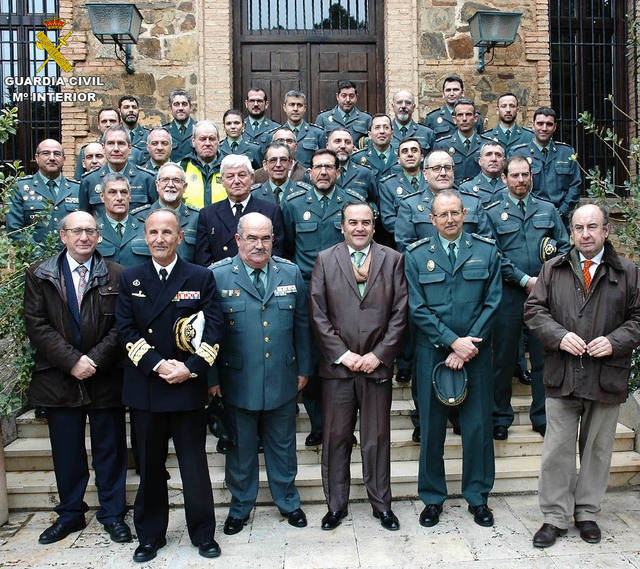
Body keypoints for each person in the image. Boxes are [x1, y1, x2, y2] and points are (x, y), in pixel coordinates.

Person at [524, 204, 640, 548]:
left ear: (606, 230)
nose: (585, 234)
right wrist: (559, 336)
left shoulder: (629, 272)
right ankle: (555, 517)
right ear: (571, 233)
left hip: (606, 374)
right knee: (556, 450)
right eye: (578, 228)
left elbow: (638, 319)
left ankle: (587, 513)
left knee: (598, 449)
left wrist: (615, 340)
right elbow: (533, 310)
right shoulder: (553, 268)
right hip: (563, 374)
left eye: (592, 227)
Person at [115, 208, 223, 562]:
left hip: (187, 387)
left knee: (194, 468)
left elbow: (216, 329)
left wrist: (190, 369)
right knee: (149, 466)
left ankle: (203, 534)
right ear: (144, 238)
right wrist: (160, 366)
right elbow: (126, 331)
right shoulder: (130, 278)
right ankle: (149, 535)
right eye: (153, 232)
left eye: (167, 232)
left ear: (180, 237)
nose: (160, 238)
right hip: (147, 387)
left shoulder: (200, 276)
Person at [23, 211, 130, 545]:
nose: (84, 237)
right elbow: (37, 325)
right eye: (77, 231)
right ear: (63, 236)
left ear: (98, 236)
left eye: (90, 231)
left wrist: (93, 360)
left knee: (110, 449)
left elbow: (121, 328)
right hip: (59, 378)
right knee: (67, 451)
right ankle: (70, 514)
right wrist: (72, 362)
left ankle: (113, 514)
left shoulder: (116, 275)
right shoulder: (40, 274)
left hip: (105, 376)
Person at [404, 189, 502, 528]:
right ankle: (432, 498)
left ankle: (478, 497)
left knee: (477, 429)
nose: (449, 219)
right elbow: (417, 308)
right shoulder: (416, 256)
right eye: (442, 214)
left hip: (476, 355)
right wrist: (451, 342)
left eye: (455, 213)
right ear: (431, 219)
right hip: (432, 355)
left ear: (465, 215)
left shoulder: (486, 251)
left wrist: (466, 346)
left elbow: (493, 303)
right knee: (431, 431)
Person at [211, 212, 311, 535]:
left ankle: (288, 502)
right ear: (238, 240)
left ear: (273, 240)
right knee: (240, 449)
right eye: (252, 238)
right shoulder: (218, 276)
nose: (259, 245)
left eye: (265, 238)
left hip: (282, 375)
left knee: (283, 445)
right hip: (237, 380)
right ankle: (240, 507)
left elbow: (302, 327)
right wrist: (211, 379)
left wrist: (304, 369)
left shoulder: (290, 273)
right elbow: (209, 333)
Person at [310, 202, 407, 531]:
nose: (360, 228)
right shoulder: (325, 260)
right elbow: (317, 313)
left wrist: (379, 355)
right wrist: (342, 354)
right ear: (342, 226)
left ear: (374, 226)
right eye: (353, 222)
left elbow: (399, 314)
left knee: (376, 438)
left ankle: (381, 504)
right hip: (338, 370)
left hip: (376, 368)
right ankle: (335, 505)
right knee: (336, 437)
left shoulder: (392, 259)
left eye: (366, 222)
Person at [281, 149, 365, 446]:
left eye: (330, 167)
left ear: (338, 171)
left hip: (345, 291)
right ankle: (319, 426)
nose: (324, 172)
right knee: (313, 358)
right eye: (318, 167)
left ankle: (345, 427)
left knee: (344, 357)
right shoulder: (292, 204)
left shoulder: (352, 205)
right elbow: (287, 245)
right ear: (310, 171)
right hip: (306, 290)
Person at [484, 156, 570, 441]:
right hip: (508, 295)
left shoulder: (547, 209)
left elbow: (565, 246)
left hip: (545, 296)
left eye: (525, 175)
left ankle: (542, 416)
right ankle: (500, 416)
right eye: (515, 175)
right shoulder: (493, 211)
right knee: (503, 359)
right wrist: (524, 279)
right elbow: (492, 254)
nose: (521, 180)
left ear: (531, 177)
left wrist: (544, 279)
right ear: (505, 178)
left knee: (544, 358)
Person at [195, 154, 285, 266]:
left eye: (242, 175)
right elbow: (203, 259)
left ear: (252, 178)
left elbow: (277, 254)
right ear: (222, 181)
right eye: (230, 176)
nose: (236, 181)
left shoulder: (271, 211)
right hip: (221, 280)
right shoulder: (208, 214)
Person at [395, 149, 491, 253]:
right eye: (436, 168)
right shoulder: (410, 205)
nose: (443, 173)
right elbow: (406, 248)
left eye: (447, 168)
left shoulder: (473, 202)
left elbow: (485, 244)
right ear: (425, 174)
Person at [510, 107, 581, 225]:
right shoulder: (518, 153)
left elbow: (575, 185)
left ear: (555, 127)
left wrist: (562, 211)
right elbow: (511, 186)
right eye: (540, 123)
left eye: (549, 124)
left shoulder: (566, 152)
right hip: (528, 218)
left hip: (560, 219)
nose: (544, 128)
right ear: (533, 125)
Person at [7, 139, 80, 245]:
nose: (52, 158)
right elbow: (15, 230)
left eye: (57, 154)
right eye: (46, 153)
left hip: (70, 258)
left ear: (64, 159)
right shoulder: (19, 188)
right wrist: (41, 258)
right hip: (34, 259)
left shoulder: (77, 188)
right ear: (37, 158)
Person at [78, 125, 156, 215]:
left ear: (130, 148)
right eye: (111, 143)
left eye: (121, 143)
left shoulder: (147, 179)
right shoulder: (89, 180)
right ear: (103, 147)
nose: (116, 149)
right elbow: (84, 218)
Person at [132, 162, 199, 262]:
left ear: (184, 187)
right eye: (165, 180)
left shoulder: (197, 218)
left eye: (176, 180)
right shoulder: (138, 217)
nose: (170, 185)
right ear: (157, 185)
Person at [434, 99, 493, 185]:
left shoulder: (487, 145)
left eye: (468, 114)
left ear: (475, 118)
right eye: (460, 115)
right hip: (452, 194)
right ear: (454, 119)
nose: (464, 119)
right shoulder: (442, 145)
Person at [94, 173, 147, 268]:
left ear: (129, 196)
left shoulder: (145, 228)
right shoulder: (93, 230)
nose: (119, 198)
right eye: (112, 192)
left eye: (123, 192)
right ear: (102, 197)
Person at [378, 137, 425, 238]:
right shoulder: (388, 185)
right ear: (398, 160)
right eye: (404, 151)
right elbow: (389, 221)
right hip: (404, 242)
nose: (410, 154)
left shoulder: (433, 180)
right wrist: (416, 231)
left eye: (414, 150)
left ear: (422, 157)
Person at [327, 128, 378, 207]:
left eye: (348, 142)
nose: (343, 146)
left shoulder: (365, 173)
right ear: (327, 146)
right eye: (337, 141)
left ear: (353, 147)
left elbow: (374, 203)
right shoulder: (319, 172)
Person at [424, 76, 484, 140]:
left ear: (462, 93)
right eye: (448, 90)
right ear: (443, 94)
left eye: (455, 90)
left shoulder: (475, 117)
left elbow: (480, 143)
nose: (451, 93)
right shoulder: (432, 118)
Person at [315, 80, 372, 146]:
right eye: (344, 96)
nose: (348, 100)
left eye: (351, 96)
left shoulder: (366, 119)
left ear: (356, 97)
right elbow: (317, 145)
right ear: (337, 97)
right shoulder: (323, 118)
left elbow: (372, 144)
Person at [281, 90, 325, 167]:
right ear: (285, 107)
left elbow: (323, 160)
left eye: (299, 105)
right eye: (292, 104)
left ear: (305, 108)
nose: (295, 109)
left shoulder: (318, 133)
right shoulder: (276, 134)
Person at [351, 114, 398, 181]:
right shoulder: (357, 159)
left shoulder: (401, 157)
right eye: (377, 127)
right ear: (369, 135)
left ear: (392, 134)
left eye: (386, 127)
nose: (382, 131)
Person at [390, 89, 435, 156]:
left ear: (414, 107)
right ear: (393, 107)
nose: (403, 106)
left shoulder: (427, 133)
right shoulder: (385, 133)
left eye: (408, 103)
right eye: (399, 102)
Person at [163, 88, 197, 162]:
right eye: (176, 104)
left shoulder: (199, 129)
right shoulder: (164, 132)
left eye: (184, 104)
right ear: (170, 108)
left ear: (190, 107)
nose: (180, 108)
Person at [243, 87, 281, 152]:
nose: (255, 104)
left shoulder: (276, 129)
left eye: (259, 101)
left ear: (266, 104)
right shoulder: (238, 127)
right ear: (246, 104)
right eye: (252, 101)